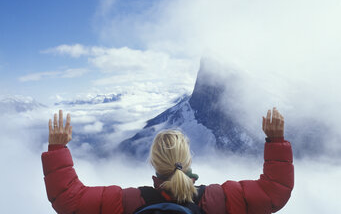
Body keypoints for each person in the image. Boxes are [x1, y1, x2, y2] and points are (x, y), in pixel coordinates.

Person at [41, 107, 294, 214]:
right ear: (188, 160)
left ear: (154, 162)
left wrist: (57, 147)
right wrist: (276, 140)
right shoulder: (220, 199)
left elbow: (69, 200)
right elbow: (274, 192)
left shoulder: (127, 202)